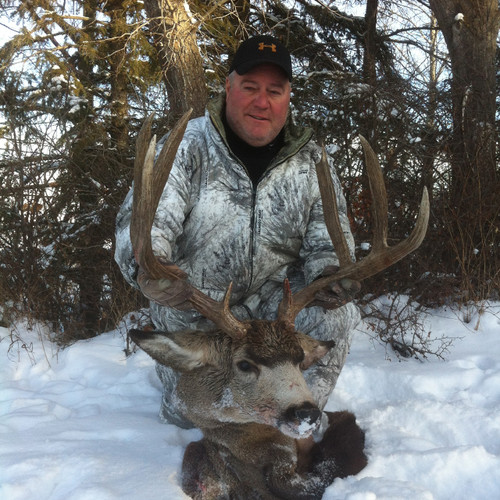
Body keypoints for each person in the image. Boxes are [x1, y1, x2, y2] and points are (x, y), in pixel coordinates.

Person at [115, 35, 361, 429]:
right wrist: (150, 270)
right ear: (228, 88)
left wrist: (333, 277)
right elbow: (143, 228)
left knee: (337, 317)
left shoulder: (311, 159)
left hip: (276, 320)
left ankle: (294, 419)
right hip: (200, 309)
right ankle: (208, 418)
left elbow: (329, 244)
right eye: (250, 88)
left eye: (274, 91)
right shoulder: (186, 146)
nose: (261, 102)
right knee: (188, 418)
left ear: (288, 98)